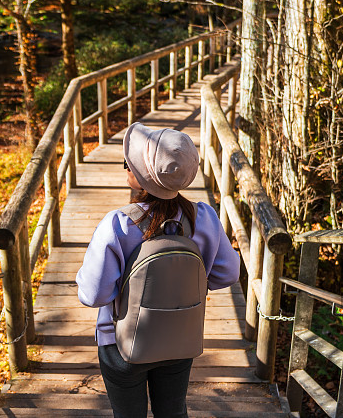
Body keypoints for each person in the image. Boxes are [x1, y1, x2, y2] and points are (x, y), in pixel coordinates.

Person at [76, 122, 241, 418]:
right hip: (180, 339)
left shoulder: (118, 225)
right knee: (173, 412)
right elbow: (227, 274)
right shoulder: (204, 217)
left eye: (128, 164)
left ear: (137, 178)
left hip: (121, 343)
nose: (125, 167)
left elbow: (93, 294)